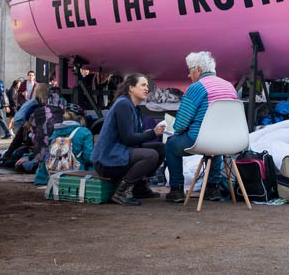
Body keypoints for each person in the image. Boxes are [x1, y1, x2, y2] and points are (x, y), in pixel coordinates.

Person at [165, 51, 238, 203]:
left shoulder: (196, 88)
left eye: (190, 70)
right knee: (214, 145)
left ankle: (177, 190)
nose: (188, 75)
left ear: (198, 69)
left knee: (171, 145)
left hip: (200, 140)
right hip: (227, 141)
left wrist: (177, 132)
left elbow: (181, 123)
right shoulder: (230, 87)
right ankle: (213, 188)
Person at [92, 74, 166, 206]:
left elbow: (132, 137)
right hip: (108, 159)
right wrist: (152, 133)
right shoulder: (123, 105)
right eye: (143, 85)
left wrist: (149, 133)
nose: (146, 89)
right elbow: (128, 138)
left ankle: (139, 187)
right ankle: (122, 191)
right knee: (151, 155)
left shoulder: (133, 107)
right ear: (131, 88)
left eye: (147, 86)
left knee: (161, 148)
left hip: (121, 152)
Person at [34, 104, 95, 186]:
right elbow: (88, 157)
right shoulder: (85, 132)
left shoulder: (56, 131)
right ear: (81, 118)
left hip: (50, 174)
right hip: (76, 175)